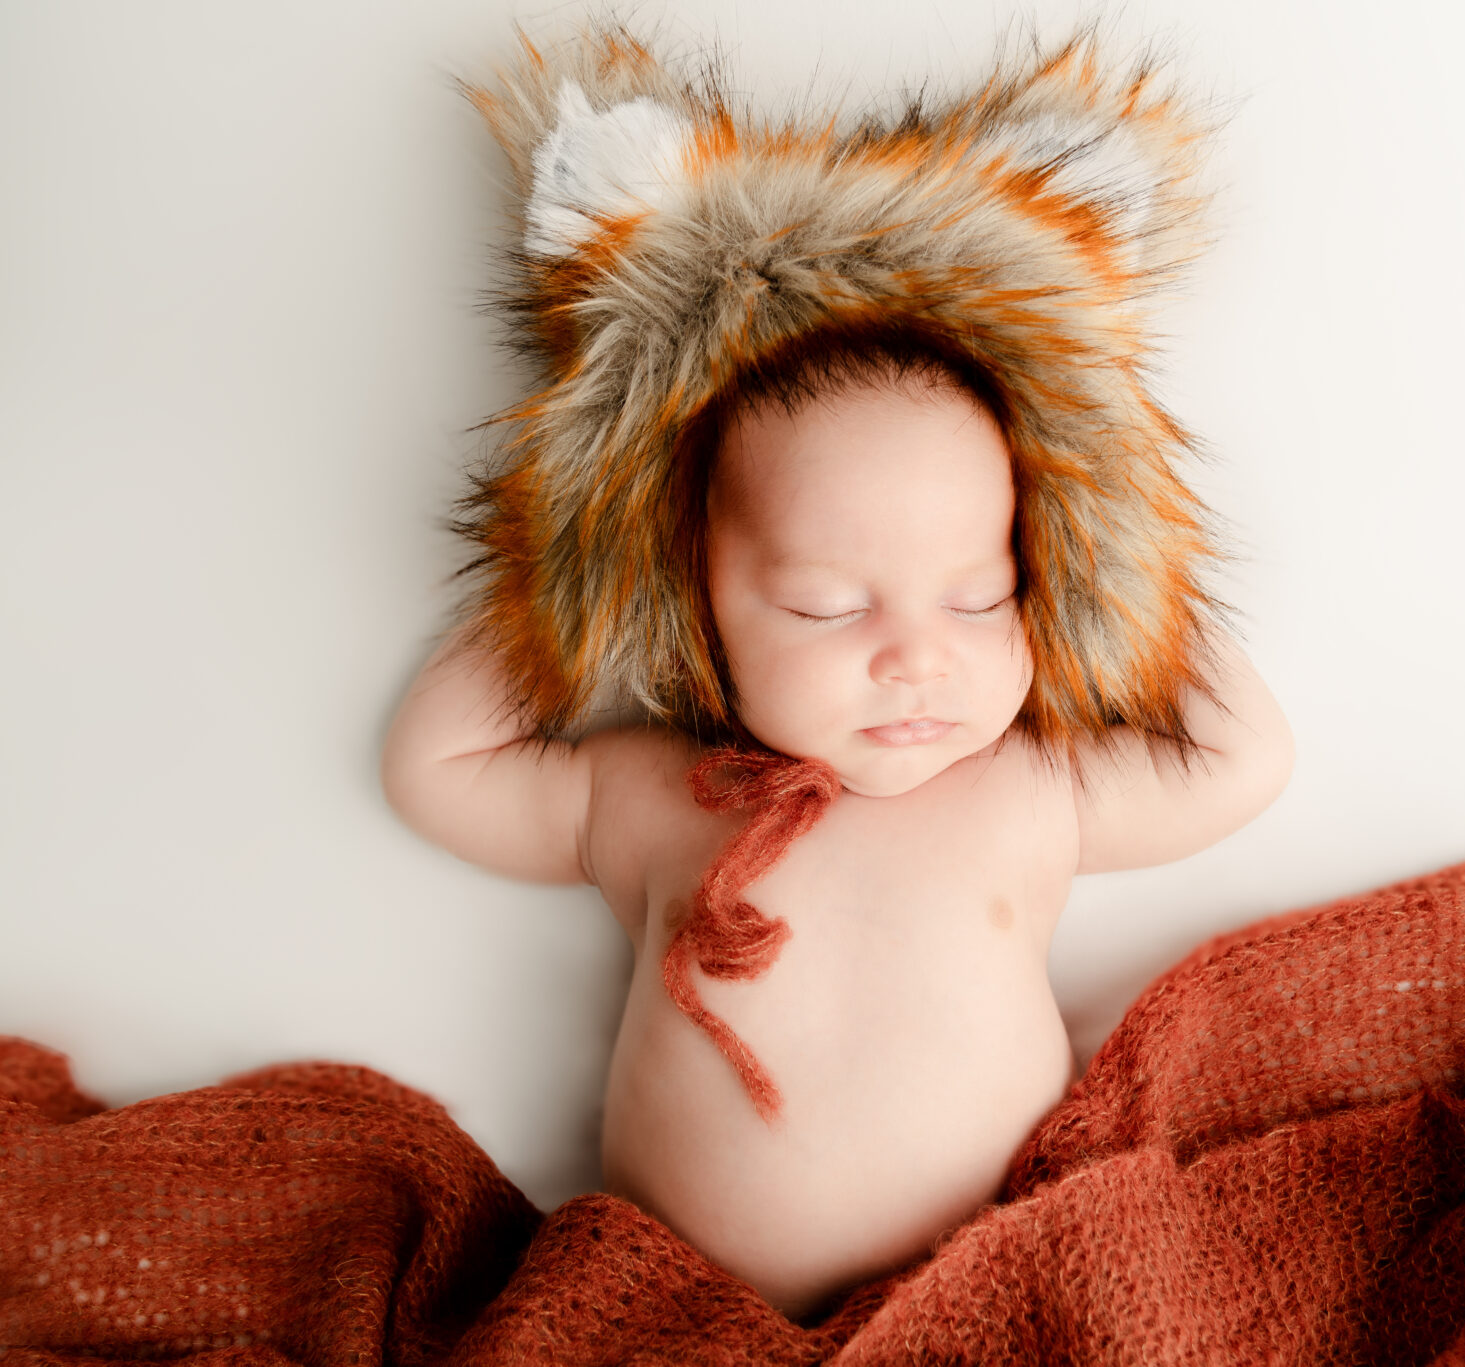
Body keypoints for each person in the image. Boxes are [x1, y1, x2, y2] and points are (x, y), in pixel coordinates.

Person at [381, 22, 1293, 1322]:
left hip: (989, 1304)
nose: (918, 654)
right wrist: (578, 555)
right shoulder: (653, 797)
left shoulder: (1031, 791)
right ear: (693, 602)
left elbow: (1241, 759)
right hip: (683, 1316)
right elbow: (437, 771)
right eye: (825, 605)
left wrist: (1120, 548)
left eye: (982, 596)